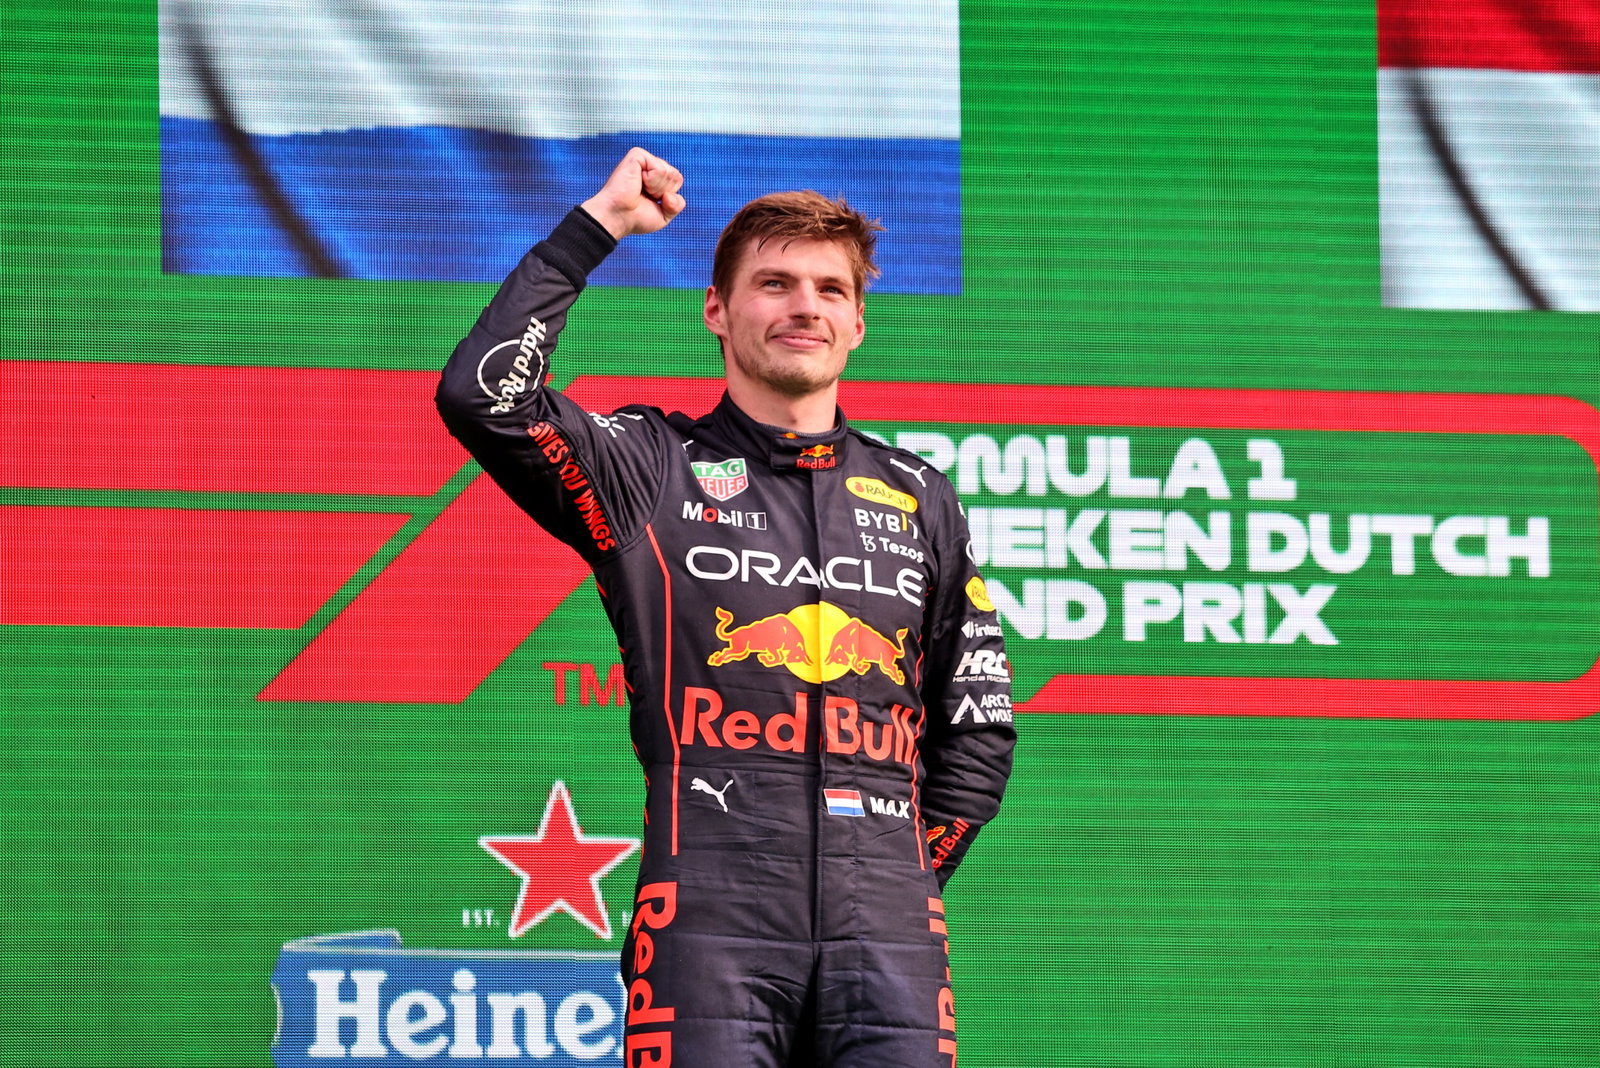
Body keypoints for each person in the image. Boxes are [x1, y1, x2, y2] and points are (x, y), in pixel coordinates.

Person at [436, 147, 1014, 1068]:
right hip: (707, 918)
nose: (805, 307)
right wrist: (596, 230)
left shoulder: (920, 496)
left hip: (891, 931)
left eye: (830, 289)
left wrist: (900, 872)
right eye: (774, 283)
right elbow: (484, 398)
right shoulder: (649, 465)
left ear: (858, 323)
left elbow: (977, 728)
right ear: (716, 309)